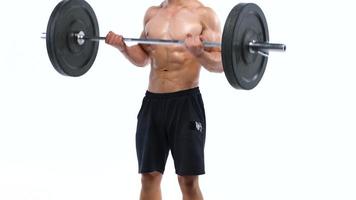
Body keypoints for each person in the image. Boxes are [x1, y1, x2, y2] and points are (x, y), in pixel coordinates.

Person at [105, 0, 223, 199]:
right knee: (148, 177)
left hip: (186, 104)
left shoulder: (204, 14)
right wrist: (123, 48)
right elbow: (143, 56)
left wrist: (200, 53)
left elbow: (221, 63)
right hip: (153, 104)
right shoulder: (152, 14)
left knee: (188, 180)